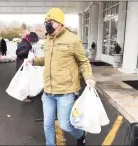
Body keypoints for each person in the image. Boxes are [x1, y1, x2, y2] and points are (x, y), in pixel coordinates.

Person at [28, 8, 96, 146]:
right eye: (46, 22)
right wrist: (33, 60)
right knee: (47, 124)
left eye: (50, 21)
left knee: (65, 125)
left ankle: (81, 134)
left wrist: (89, 77)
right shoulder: (47, 40)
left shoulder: (73, 39)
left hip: (65, 92)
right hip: (48, 91)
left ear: (60, 22)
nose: (47, 24)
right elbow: (47, 60)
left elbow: (83, 61)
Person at [16, 32, 38, 102]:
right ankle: (24, 97)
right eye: (34, 41)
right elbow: (19, 53)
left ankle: (26, 95)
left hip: (23, 63)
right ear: (31, 39)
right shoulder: (25, 44)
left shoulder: (25, 42)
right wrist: (28, 52)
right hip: (23, 64)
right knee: (24, 81)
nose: (34, 42)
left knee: (26, 80)